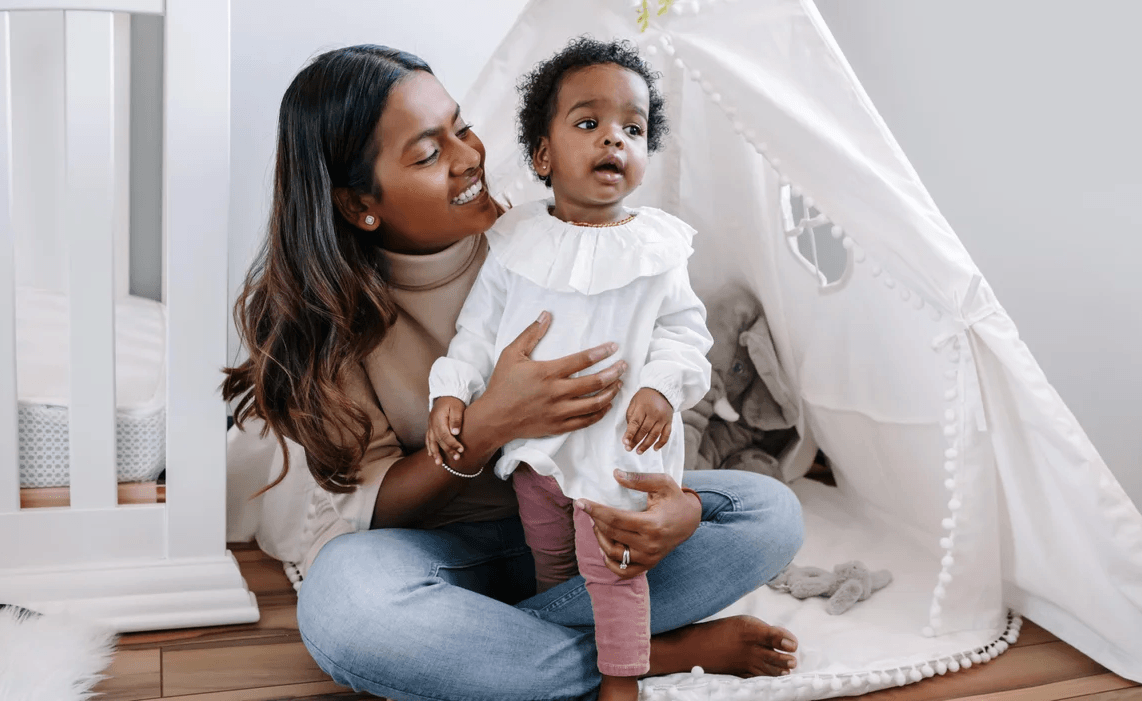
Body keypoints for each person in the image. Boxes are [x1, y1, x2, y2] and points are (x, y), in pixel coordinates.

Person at [222, 43, 805, 701]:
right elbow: (373, 511)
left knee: (770, 512)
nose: (469, 155)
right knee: (348, 608)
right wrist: (494, 419)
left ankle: (533, 649)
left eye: (459, 126)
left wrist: (674, 508)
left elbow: (654, 366)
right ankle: (640, 651)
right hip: (442, 554)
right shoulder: (326, 320)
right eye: (427, 152)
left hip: (590, 516)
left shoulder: (542, 239)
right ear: (361, 204)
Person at [424, 37, 711, 700]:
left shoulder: (658, 248)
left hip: (618, 455)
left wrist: (661, 388)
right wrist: (449, 392)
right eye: (588, 124)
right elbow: (475, 334)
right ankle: (565, 643)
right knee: (551, 561)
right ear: (543, 155)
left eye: (631, 129)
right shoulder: (516, 242)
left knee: (614, 569)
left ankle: (621, 676)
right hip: (536, 458)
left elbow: (683, 333)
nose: (613, 139)